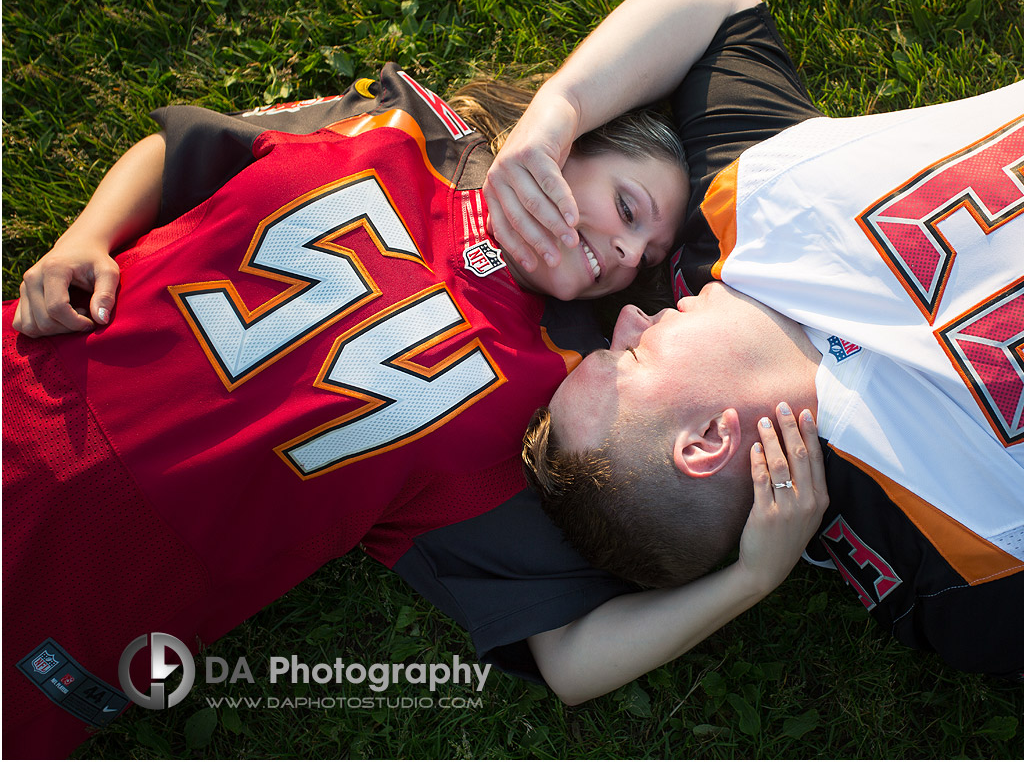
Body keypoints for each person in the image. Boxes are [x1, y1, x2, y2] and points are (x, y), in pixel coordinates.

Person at [493, 0, 1024, 720]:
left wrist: (556, 112)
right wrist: (746, 578)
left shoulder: (737, 206)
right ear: (707, 440)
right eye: (631, 357)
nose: (630, 317)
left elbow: (714, 3)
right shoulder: (959, 567)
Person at [1, 55, 705, 755]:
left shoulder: (541, 391)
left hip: (91, 590)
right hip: (30, 382)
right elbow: (186, 147)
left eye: (645, 259)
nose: (625, 251)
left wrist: (750, 576)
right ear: (568, 141)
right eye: (627, 208)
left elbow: (572, 657)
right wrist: (83, 238)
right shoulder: (404, 123)